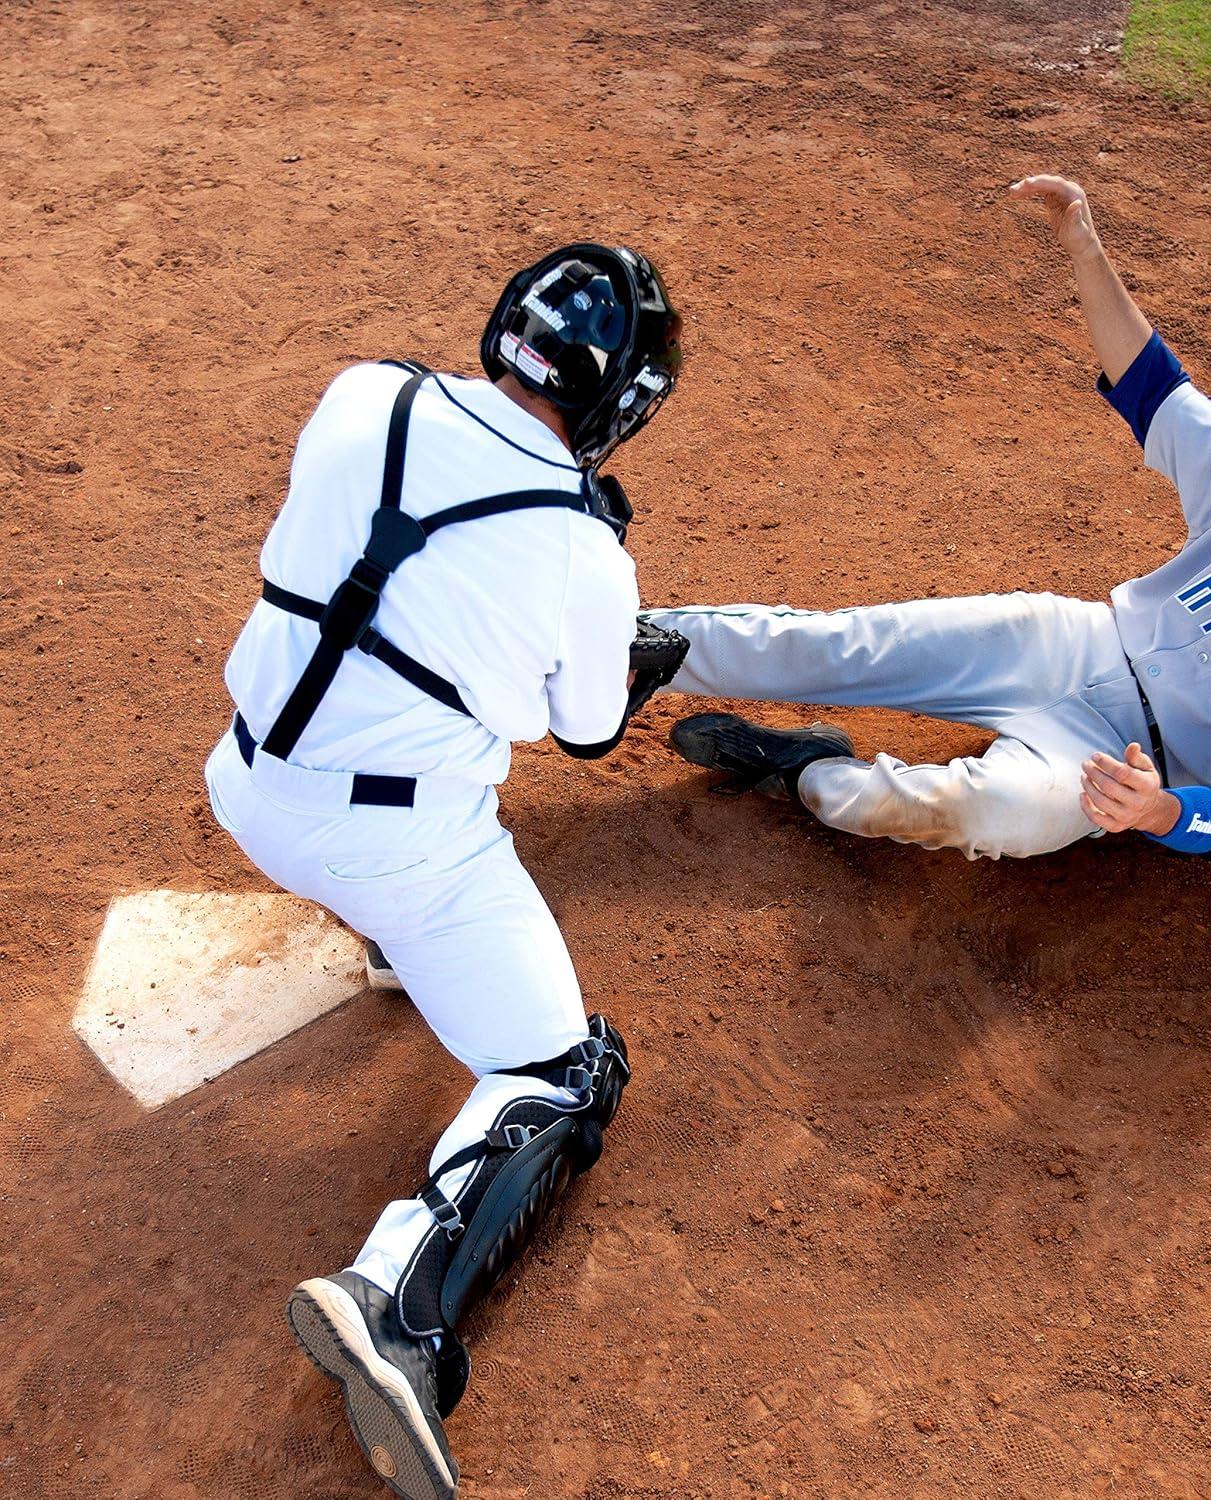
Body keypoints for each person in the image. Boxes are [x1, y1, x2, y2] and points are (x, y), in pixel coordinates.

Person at [204, 244, 682, 1500]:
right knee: (566, 1070)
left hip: (245, 782)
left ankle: (396, 941)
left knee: (392, 710)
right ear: (623, 405)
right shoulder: (587, 553)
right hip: (390, 844)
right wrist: (624, 633)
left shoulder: (364, 391)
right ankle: (400, 1309)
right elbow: (579, 732)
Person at [649, 175, 1211, 863]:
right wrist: (1083, 244)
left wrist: (1159, 811)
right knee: (831, 647)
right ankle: (618, 638)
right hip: (1071, 641)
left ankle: (807, 771)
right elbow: (1154, 387)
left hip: (1115, 764)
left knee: (984, 817)